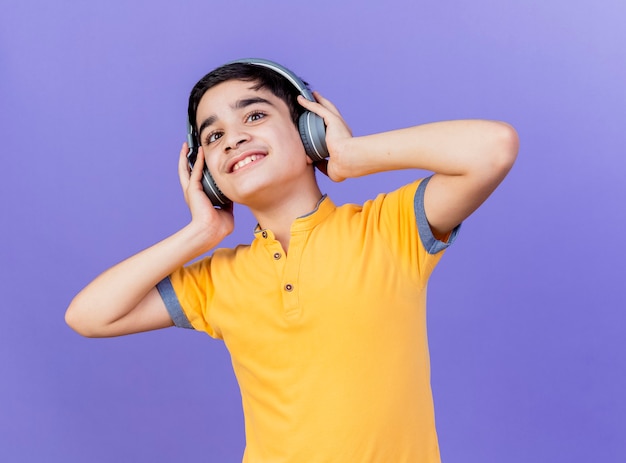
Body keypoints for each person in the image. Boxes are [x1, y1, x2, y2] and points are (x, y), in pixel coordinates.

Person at [66, 58, 519, 463]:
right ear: (208, 176)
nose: (234, 137)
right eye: (214, 135)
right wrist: (199, 233)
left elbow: (493, 147)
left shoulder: (388, 229)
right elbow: (88, 316)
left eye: (256, 115)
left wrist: (352, 156)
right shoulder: (216, 280)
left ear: (309, 132)